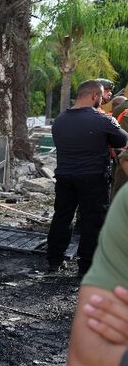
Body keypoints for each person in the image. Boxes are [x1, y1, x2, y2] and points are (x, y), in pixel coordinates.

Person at [46, 79, 128, 276]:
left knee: (62, 217)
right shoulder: (102, 120)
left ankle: (53, 261)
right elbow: (123, 139)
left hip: (65, 177)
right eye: (101, 96)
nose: (102, 99)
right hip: (93, 179)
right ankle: (86, 267)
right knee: (93, 221)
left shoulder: (60, 120)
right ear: (94, 96)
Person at [67, 186, 128, 366]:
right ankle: (79, 264)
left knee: (67, 217)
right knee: (90, 222)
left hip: (68, 177)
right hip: (89, 178)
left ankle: (56, 258)